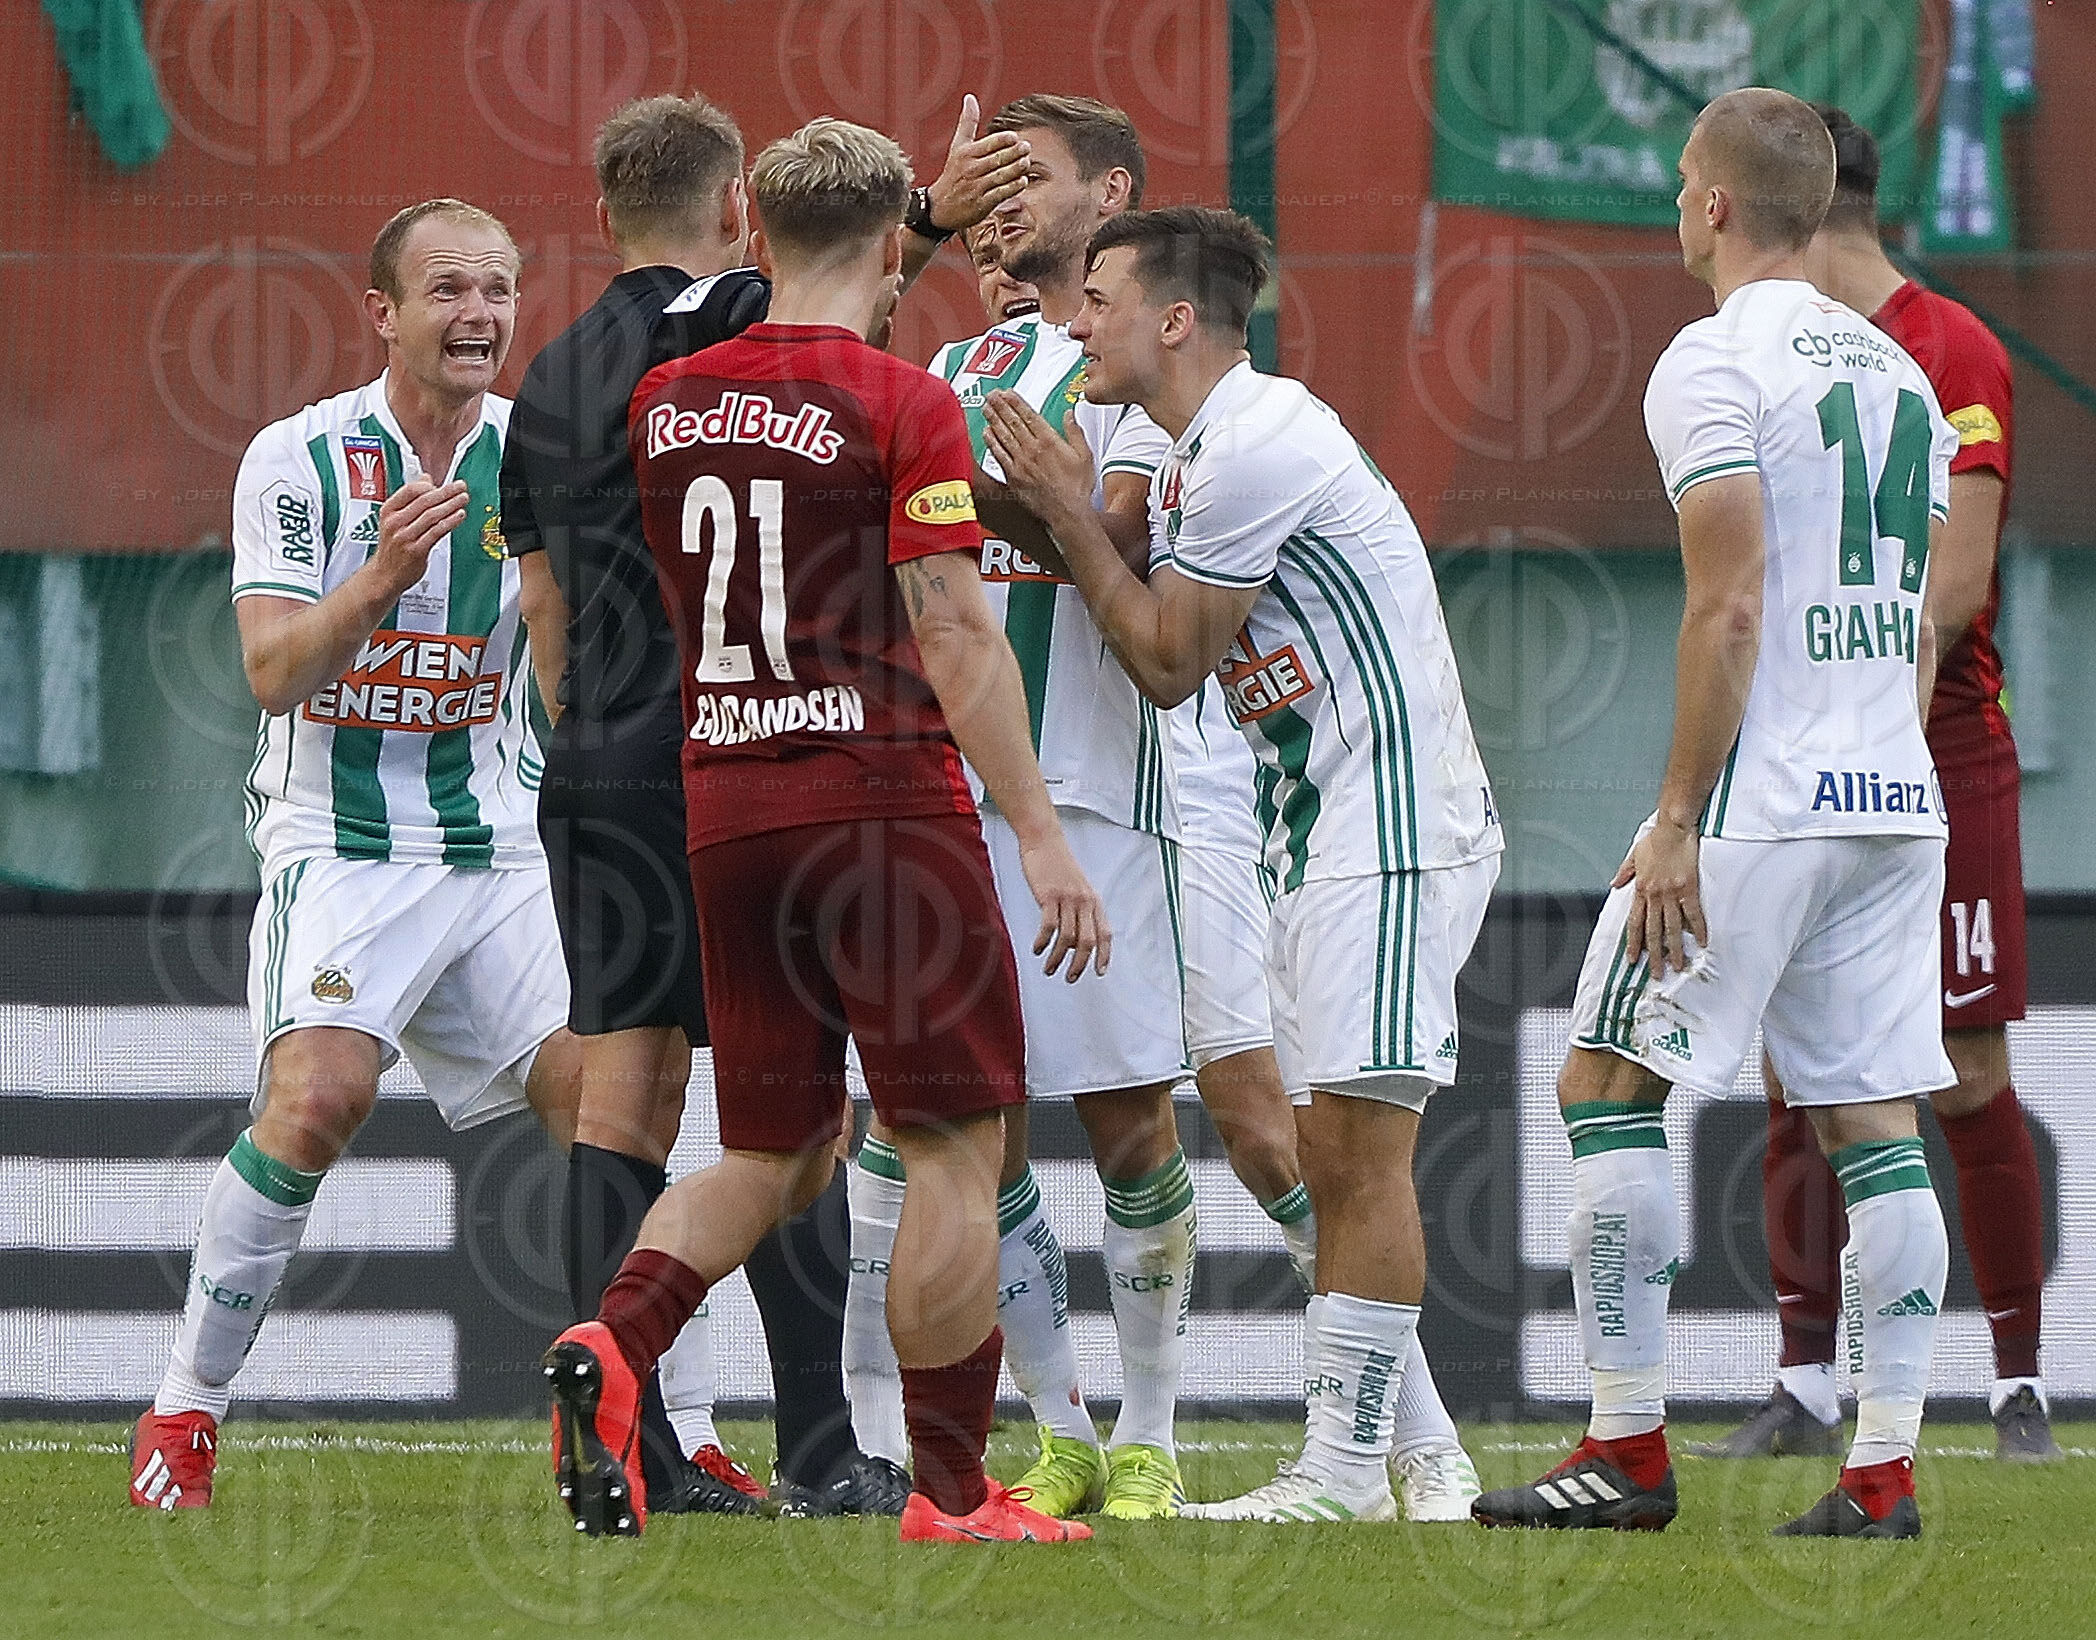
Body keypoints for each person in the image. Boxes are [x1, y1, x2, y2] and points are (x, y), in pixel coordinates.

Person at [541, 116, 1102, 1546]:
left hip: (722, 810)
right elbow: (954, 628)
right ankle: (957, 1495)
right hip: (882, 807)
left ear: (757, 226)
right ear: (886, 246)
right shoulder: (901, 397)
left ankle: (613, 1345)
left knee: (771, 1152)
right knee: (952, 1144)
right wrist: (1034, 830)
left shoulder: (667, 403)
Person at [1469, 88, 1961, 1539]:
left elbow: (1729, 601)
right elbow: (1920, 624)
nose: (1677, 201)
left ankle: (1625, 1451)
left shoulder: (1711, 361)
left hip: (1764, 798)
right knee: (1879, 1123)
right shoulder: (1903, 376)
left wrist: (1680, 812)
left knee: (1605, 1085)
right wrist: (1880, 767)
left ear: (1717, 206)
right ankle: (1882, 1478)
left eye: (1685, 179)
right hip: (1890, 795)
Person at [984, 204, 1503, 1524]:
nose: (1075, 322)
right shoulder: (1197, 441)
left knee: (1357, 1154)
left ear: (1171, 318)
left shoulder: (1256, 444)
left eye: (1096, 298)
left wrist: (1054, 500)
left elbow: (1163, 663)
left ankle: (1349, 1473)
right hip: (1320, 834)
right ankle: (1395, 1459)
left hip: (1387, 825)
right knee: (1332, 1147)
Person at [129, 200, 583, 1510]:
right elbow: (274, 674)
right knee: (317, 1104)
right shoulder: (299, 460)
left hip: (498, 845)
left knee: (618, 1114)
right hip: (340, 840)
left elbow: (564, 662)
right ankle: (182, 1418)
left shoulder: (535, 456)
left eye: (498, 288)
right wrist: (378, 581)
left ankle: (656, 1426)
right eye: (447, 290)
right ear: (381, 311)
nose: (479, 314)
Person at [845, 93, 1197, 1525]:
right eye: (982, 175)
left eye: (1025, 175)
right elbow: (837, 392)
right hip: (958, 789)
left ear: (1109, 192)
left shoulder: (1147, 353)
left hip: (1102, 792)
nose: (996, 199)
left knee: (1129, 1125)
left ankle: (1158, 1431)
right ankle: (1055, 1425)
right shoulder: (964, 354)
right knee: (965, 1126)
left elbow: (1113, 540)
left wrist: (961, 493)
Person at [1692, 103, 2054, 1466]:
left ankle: (2017, 1386)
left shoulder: (1947, 347)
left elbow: (1952, 591)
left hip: (1932, 753)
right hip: (1799, 753)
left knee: (1963, 1066)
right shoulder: (1753, 356)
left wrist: (1873, 750)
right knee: (1797, 1072)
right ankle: (1803, 1381)